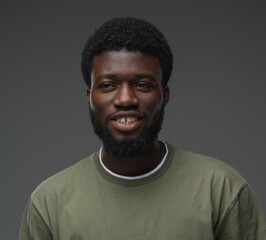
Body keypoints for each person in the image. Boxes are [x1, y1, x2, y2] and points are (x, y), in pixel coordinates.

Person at [19, 17, 266, 240]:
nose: (125, 99)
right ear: (89, 96)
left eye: (142, 84)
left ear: (164, 94)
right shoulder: (49, 203)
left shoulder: (221, 189)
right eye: (107, 85)